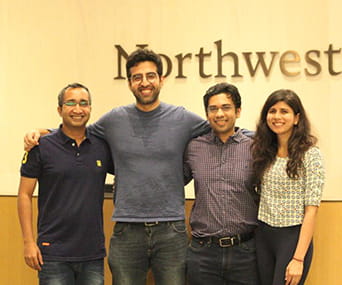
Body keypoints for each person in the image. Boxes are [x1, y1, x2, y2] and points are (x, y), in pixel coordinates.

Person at [24, 49, 210, 285]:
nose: (144, 83)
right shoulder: (113, 120)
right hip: (126, 230)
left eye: (150, 76)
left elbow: (220, 127)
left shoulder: (183, 118)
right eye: (137, 77)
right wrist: (41, 132)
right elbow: (77, 131)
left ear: (162, 80)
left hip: (171, 230)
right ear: (130, 83)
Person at [18, 83, 113, 285]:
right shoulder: (40, 147)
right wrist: (28, 242)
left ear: (90, 109)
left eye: (83, 103)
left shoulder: (102, 147)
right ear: (60, 109)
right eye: (70, 103)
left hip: (92, 254)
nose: (77, 109)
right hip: (52, 253)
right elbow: (24, 195)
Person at [183, 82, 259, 285]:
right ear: (207, 113)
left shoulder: (255, 147)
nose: (219, 114)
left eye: (226, 107)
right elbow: (173, 181)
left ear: (238, 111)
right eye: (213, 108)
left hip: (245, 252)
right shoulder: (193, 147)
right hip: (203, 253)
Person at [251, 89, 325, 285]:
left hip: (292, 238)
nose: (277, 116)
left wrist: (298, 259)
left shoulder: (310, 155)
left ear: (296, 118)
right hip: (263, 235)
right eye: (272, 111)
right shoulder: (263, 151)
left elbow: (311, 211)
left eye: (284, 111)